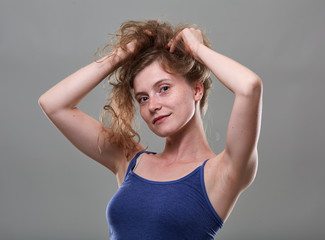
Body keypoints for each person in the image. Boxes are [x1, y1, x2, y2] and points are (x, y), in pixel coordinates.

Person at [38, 20, 262, 239]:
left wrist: (197, 49)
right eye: (143, 98)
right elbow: (54, 104)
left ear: (196, 90)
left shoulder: (223, 172)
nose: (153, 105)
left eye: (164, 88)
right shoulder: (130, 161)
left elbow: (249, 87)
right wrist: (124, 53)